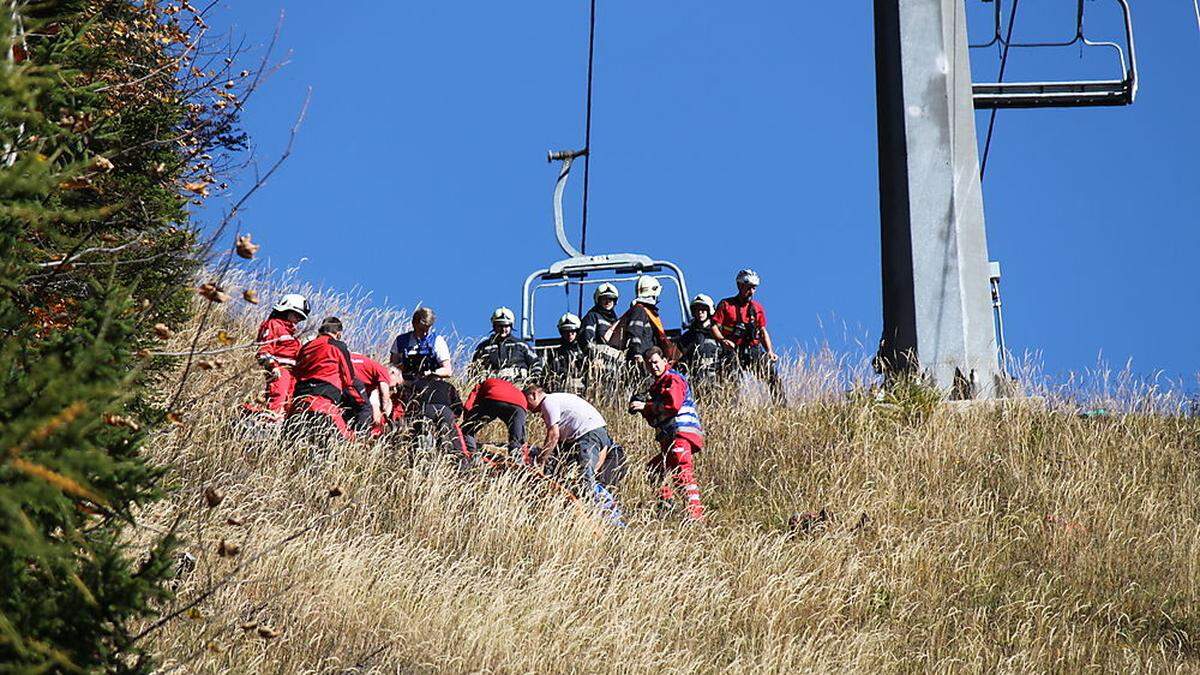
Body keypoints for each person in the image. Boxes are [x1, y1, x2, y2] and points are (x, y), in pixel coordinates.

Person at [523, 384, 624, 521]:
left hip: (586, 435)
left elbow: (553, 435)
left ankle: (599, 517)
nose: (526, 407)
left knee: (585, 479)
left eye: (526, 401)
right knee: (578, 474)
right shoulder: (560, 399)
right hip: (593, 433)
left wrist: (540, 463)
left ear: (534, 394)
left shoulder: (548, 402)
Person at [628, 346, 705, 521]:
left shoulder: (672, 379)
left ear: (664, 361)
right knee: (653, 471)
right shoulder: (658, 386)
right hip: (670, 437)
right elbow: (658, 415)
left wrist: (645, 407)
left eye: (656, 362)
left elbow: (673, 405)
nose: (653, 367)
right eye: (649, 364)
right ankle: (667, 504)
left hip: (680, 433)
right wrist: (644, 409)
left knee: (682, 470)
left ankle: (695, 515)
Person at [711, 268, 785, 404]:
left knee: (772, 375)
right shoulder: (726, 305)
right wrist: (722, 341)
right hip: (732, 350)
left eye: (754, 288)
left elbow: (763, 331)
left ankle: (781, 406)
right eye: (749, 288)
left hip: (753, 349)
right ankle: (731, 410)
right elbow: (714, 326)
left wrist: (769, 351)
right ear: (740, 286)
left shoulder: (757, 308)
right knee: (731, 382)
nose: (751, 292)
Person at [287, 317, 366, 440]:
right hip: (324, 403)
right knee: (345, 441)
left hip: (298, 402)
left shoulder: (306, 347)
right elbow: (349, 378)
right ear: (338, 333)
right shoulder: (338, 346)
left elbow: (295, 372)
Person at [606, 275, 680, 366]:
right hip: (642, 360)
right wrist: (637, 354)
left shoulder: (646, 312)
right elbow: (635, 333)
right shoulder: (639, 310)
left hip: (648, 359)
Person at [253, 293, 308, 416]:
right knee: (277, 401)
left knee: (287, 407)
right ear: (286, 310)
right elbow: (263, 350)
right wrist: (273, 367)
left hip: (292, 374)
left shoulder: (292, 335)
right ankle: (266, 427)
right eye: (296, 315)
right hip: (280, 370)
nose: (298, 319)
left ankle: (277, 428)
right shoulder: (273, 324)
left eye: (300, 317)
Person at [403, 376, 469, 469]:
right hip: (446, 411)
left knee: (422, 440)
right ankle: (462, 468)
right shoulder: (448, 385)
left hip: (426, 410)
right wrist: (455, 419)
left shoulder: (417, 383)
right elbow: (458, 406)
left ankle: (422, 467)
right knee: (454, 441)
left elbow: (409, 402)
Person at [461, 377, 528, 463]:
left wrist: (467, 420)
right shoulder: (513, 388)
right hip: (520, 405)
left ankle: (471, 456)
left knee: (467, 429)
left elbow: (469, 404)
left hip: (494, 397)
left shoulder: (483, 383)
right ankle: (517, 464)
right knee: (516, 440)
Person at [470, 306, 542, 384]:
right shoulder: (484, 347)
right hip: (493, 387)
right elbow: (474, 370)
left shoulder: (521, 345)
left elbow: (536, 363)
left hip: (519, 386)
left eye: (506, 326)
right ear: (494, 326)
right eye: (500, 325)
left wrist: (533, 381)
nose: (503, 329)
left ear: (511, 326)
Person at [676, 294, 730, 386]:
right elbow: (679, 360)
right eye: (696, 310)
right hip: (695, 383)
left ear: (709, 311)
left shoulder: (720, 334)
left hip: (717, 383)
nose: (700, 312)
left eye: (703, 309)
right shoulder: (688, 337)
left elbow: (730, 357)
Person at [390, 307, 452, 382]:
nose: (425, 333)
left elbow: (448, 371)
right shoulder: (401, 341)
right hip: (405, 384)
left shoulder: (437, 341)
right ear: (414, 324)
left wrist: (430, 373)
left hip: (431, 385)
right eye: (421, 330)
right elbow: (392, 368)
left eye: (427, 329)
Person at [345, 352, 393, 435]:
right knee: (365, 409)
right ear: (393, 373)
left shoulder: (369, 372)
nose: (394, 389)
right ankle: (361, 437)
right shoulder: (383, 371)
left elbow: (374, 403)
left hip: (334, 376)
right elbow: (385, 397)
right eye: (396, 385)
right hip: (349, 378)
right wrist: (386, 416)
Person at [545, 313, 587, 394]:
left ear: (577, 331)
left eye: (572, 331)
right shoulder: (555, 354)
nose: (569, 334)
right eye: (566, 332)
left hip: (582, 390)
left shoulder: (584, 351)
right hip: (562, 391)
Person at [580, 283, 619, 351]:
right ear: (598, 301)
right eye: (604, 299)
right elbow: (587, 341)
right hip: (598, 356)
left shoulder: (615, 320)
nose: (607, 302)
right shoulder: (592, 316)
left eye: (610, 299)